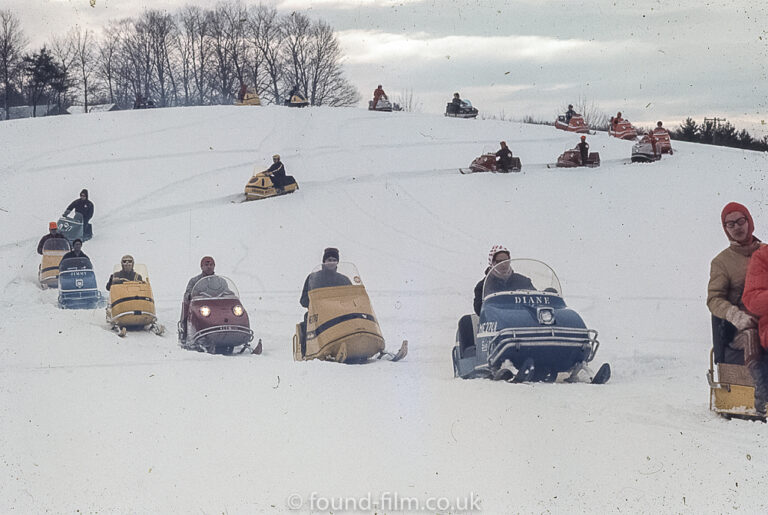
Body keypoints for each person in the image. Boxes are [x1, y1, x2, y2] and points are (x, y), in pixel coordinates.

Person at [707, 202, 767, 413]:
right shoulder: (722, 262)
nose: (737, 227)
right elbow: (714, 299)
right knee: (752, 333)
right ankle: (762, 391)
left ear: (749, 222)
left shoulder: (765, 252)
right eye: (730, 224)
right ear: (725, 229)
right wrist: (735, 315)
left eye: (740, 221)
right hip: (741, 326)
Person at [472, 245, 534, 316]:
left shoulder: (523, 281)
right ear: (492, 263)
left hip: (522, 319)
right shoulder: (482, 286)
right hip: (496, 321)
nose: (503, 264)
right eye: (499, 262)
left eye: (506, 261)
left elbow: (536, 299)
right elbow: (479, 310)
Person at [179, 256, 217, 340]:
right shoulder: (194, 280)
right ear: (201, 267)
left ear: (214, 266)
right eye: (206, 264)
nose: (209, 266)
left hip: (216, 306)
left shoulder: (220, 281)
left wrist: (231, 293)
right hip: (200, 306)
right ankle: (185, 334)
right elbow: (187, 293)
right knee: (188, 308)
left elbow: (226, 290)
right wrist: (190, 295)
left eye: (211, 264)